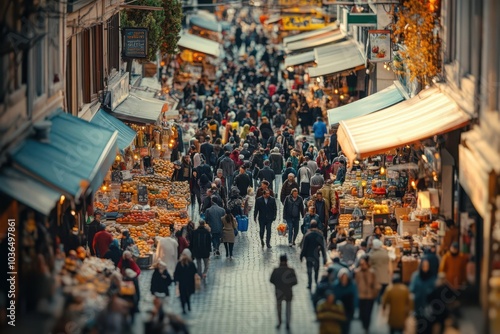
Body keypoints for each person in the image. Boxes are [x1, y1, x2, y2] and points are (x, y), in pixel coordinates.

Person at [270, 254, 298, 330]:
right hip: (288, 292)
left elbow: (271, 280)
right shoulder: (291, 270)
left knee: (279, 308)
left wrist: (277, 284)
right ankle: (288, 323)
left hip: (278, 292)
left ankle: (279, 322)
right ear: (286, 261)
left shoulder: (276, 270)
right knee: (288, 308)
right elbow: (295, 282)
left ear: (280, 261)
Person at [410, 259, 437, 334]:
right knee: (419, 327)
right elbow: (412, 289)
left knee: (428, 328)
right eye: (423, 266)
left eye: (427, 266)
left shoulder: (432, 277)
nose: (425, 268)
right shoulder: (415, 276)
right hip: (418, 306)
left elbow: (435, 291)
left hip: (429, 307)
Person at [354, 257, 379, 334]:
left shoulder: (371, 272)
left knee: (368, 312)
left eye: (364, 264)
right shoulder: (357, 272)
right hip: (361, 295)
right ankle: (364, 324)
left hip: (369, 295)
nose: (363, 265)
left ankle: (366, 326)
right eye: (361, 264)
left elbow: (375, 283)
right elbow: (356, 283)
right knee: (362, 312)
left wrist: (375, 291)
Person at [300, 221, 327, 290]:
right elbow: (322, 247)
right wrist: (324, 257)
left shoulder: (307, 235)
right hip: (316, 255)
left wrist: (301, 256)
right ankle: (316, 281)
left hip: (309, 255)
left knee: (309, 270)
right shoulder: (320, 235)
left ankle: (310, 283)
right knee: (316, 270)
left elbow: (304, 247)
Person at [332, 268, 357, 334]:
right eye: (342, 277)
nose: (344, 279)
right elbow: (334, 296)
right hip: (338, 309)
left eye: (345, 277)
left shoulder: (352, 285)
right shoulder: (336, 285)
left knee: (346, 326)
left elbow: (355, 297)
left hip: (348, 309)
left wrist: (355, 307)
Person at [174, 249, 198, 314]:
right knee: (188, 295)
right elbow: (195, 271)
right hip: (190, 282)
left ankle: (183, 308)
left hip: (182, 283)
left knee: (182, 295)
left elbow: (176, 273)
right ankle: (188, 305)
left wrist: (176, 280)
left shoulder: (179, 263)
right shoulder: (191, 263)